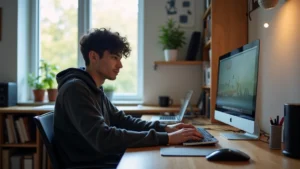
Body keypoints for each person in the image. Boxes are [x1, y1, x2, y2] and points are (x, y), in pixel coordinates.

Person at [53, 28, 202, 167]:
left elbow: (121, 120)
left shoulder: (93, 88)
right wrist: (167, 138)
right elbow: (103, 138)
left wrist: (166, 129)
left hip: (105, 159)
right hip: (93, 165)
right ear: (93, 56)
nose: (120, 65)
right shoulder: (75, 89)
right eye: (114, 57)